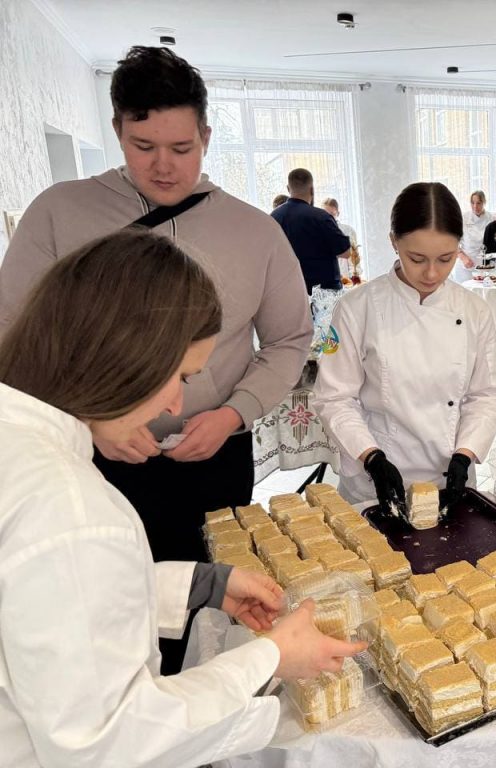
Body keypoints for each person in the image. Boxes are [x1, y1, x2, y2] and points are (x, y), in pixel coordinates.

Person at [0, 45, 312, 674]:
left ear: (207, 137)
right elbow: (16, 339)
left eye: (182, 147)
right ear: (117, 129)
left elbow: (288, 340)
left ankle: (207, 697)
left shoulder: (254, 230)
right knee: (103, 618)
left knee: (218, 603)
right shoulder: (60, 212)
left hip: (214, 451)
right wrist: (94, 421)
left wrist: (233, 414)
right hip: (95, 457)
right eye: (143, 146)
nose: (164, 166)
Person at [0, 229, 365, 767]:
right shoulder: (72, 510)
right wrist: (269, 658)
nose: (176, 403)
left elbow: (46, 604)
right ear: (122, 356)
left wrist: (198, 584)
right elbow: (107, 743)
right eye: (179, 375)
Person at [312, 182, 496, 510]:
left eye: (445, 258)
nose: (431, 273)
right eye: (417, 258)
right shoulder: (355, 308)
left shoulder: (475, 310)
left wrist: (465, 454)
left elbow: (487, 395)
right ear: (394, 242)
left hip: (450, 479)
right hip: (374, 482)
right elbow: (333, 397)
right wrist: (371, 457)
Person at [271, 168, 352, 293]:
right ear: (312, 190)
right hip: (325, 293)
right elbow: (345, 252)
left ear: (288, 188)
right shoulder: (321, 217)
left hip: (289, 292)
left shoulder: (273, 218)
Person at [452, 190, 495, 283]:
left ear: (484, 203)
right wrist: (463, 257)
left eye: (478, 203)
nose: (475, 206)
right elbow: (452, 242)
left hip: (485, 267)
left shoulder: (492, 218)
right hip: (465, 266)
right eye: (472, 203)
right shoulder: (463, 218)